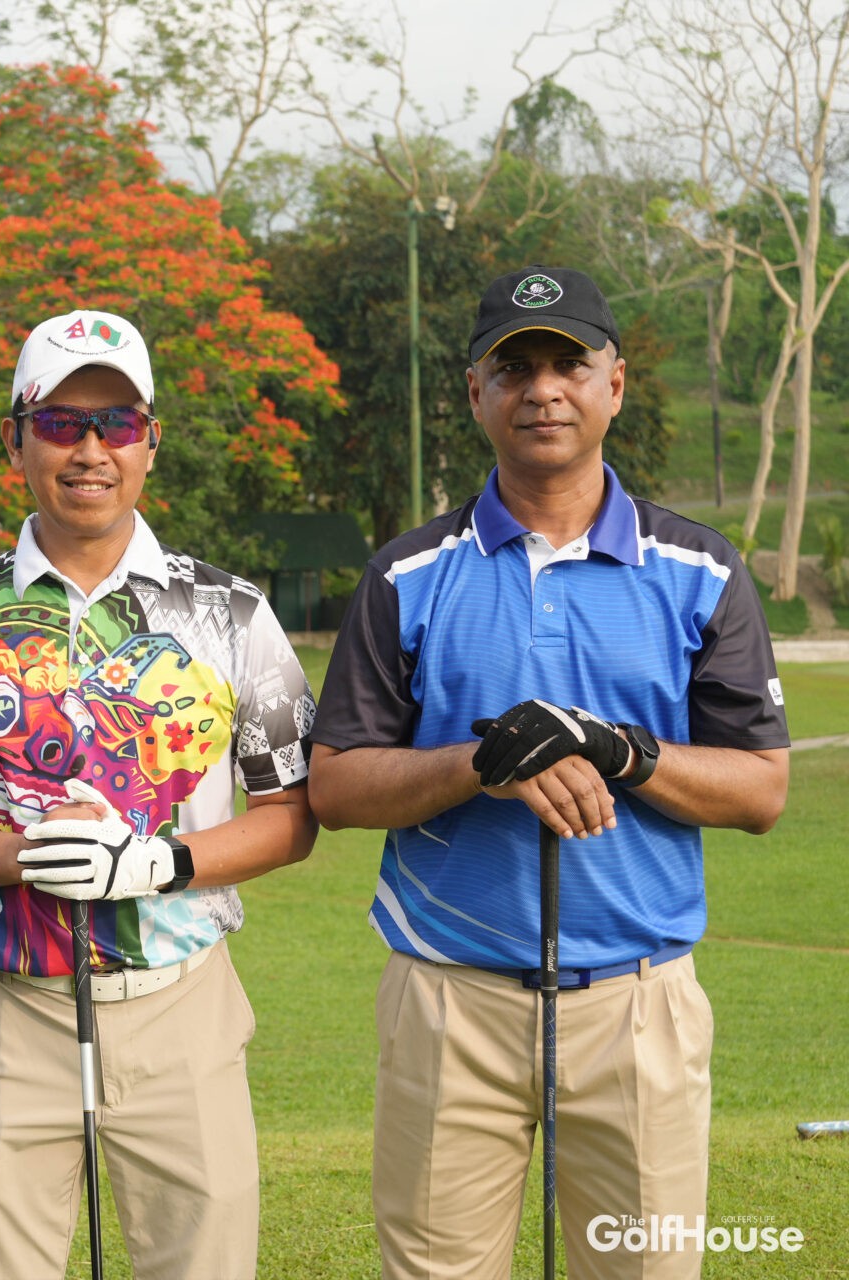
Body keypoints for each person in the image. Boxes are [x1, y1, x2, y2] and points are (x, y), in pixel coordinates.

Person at [307, 265, 790, 1280]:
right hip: (450, 1000)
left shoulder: (701, 569)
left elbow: (760, 789)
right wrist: (479, 763)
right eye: (513, 366)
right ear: (476, 394)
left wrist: (623, 750)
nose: (543, 388)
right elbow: (337, 786)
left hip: (638, 1003)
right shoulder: (406, 572)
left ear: (615, 384)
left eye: (569, 362)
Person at [0, 309, 320, 1280]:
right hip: (6, 1007)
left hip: (182, 1000)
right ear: (15, 438)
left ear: (151, 439)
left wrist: (167, 860)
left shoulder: (232, 612)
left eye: (115, 423)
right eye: (59, 421)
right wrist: (11, 854)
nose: (88, 448)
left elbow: (292, 815)